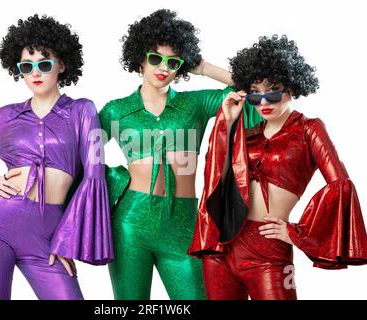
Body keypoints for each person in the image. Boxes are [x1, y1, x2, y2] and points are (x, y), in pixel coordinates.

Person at [0, 14, 113, 300]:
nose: (35, 73)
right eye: (27, 66)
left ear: (62, 65)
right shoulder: (6, 116)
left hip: (47, 237)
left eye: (44, 64)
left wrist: (66, 240)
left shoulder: (83, 111)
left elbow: (94, 176)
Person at [99, 9, 262, 300]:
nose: (163, 67)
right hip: (129, 225)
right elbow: (79, 156)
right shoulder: (115, 110)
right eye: (155, 58)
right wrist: (113, 179)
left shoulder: (194, 104)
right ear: (139, 59)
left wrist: (204, 68)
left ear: (181, 67)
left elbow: (253, 92)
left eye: (173, 62)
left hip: (185, 224)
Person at [188, 34, 367, 300]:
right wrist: (227, 122)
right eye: (254, 94)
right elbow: (216, 178)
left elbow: (339, 185)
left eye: (272, 91)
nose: (263, 102)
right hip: (223, 245)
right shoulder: (247, 133)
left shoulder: (309, 129)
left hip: (269, 246)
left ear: (292, 88)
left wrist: (298, 232)